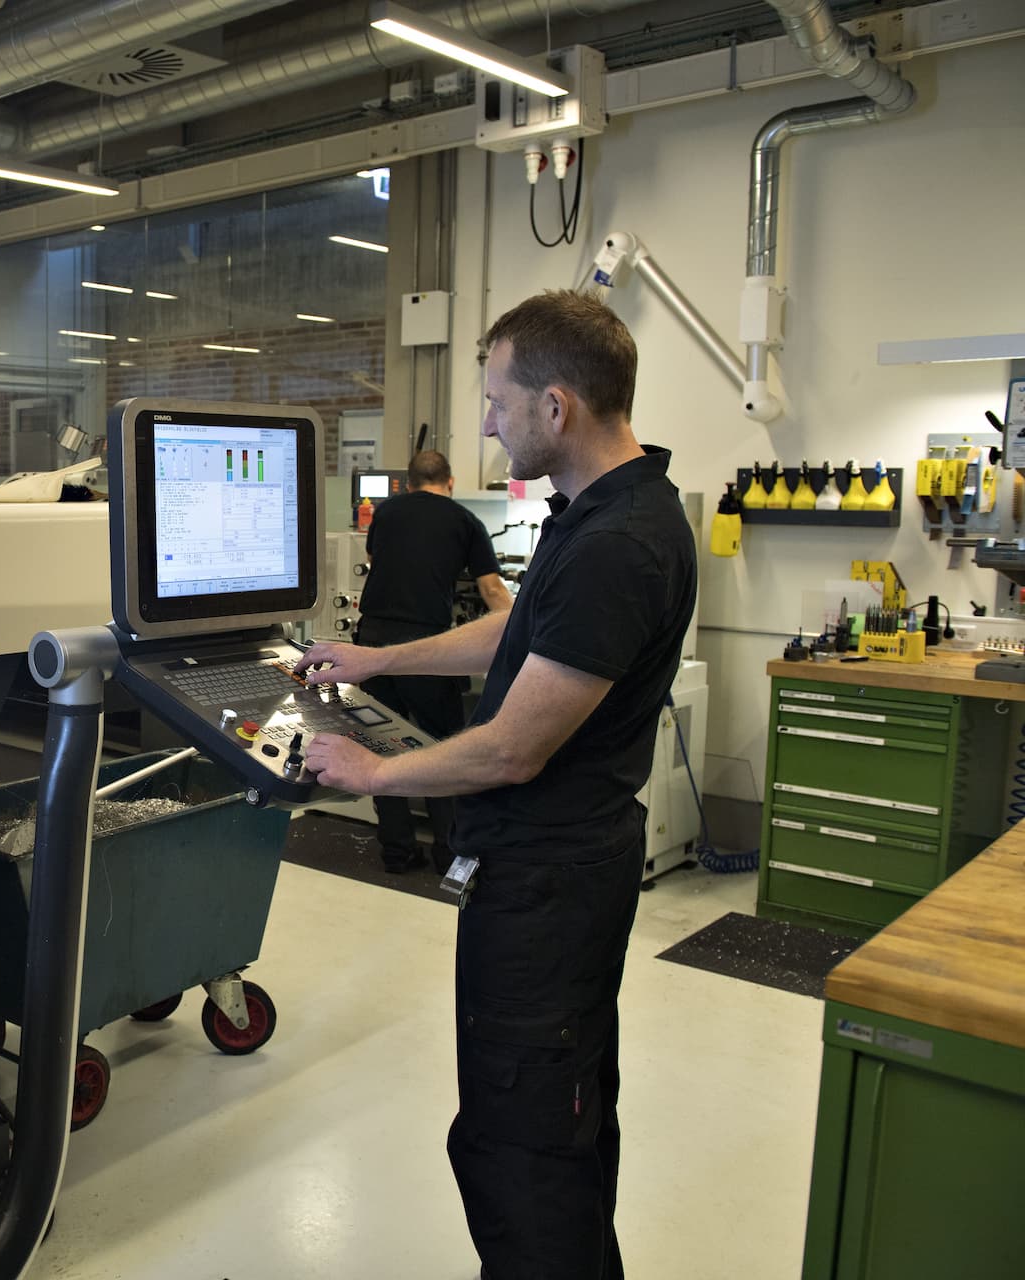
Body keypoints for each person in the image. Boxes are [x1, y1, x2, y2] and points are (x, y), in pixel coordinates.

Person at [299, 290, 697, 1278]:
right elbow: (517, 631)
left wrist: (374, 769)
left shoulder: (616, 545)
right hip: (558, 872)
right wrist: (379, 659)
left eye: (496, 400)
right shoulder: (602, 508)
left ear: (556, 406)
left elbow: (513, 749)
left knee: (523, 1144)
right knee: (558, 1117)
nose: (485, 422)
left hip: (548, 887)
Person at [357, 448, 512, 872]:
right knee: (442, 745)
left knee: (382, 744)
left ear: (409, 483)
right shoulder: (464, 520)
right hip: (424, 649)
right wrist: (523, 630)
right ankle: (449, 852)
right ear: (451, 482)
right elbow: (492, 590)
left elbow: (375, 561)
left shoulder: (385, 513)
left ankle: (397, 851)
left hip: (371, 643)